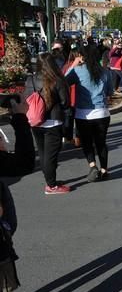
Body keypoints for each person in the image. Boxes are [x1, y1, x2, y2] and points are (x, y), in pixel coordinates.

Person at [64, 45, 113, 182]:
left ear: (83, 56)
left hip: (83, 113)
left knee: (87, 142)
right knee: (101, 143)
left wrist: (73, 64)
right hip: (102, 113)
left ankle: (93, 166)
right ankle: (104, 170)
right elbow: (110, 92)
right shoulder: (105, 71)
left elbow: (63, 82)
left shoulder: (78, 71)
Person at [32, 53, 71, 195]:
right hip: (52, 122)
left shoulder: (31, 79)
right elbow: (65, 102)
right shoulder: (57, 81)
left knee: (43, 153)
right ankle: (51, 186)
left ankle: (50, 180)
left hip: (36, 121)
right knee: (51, 155)